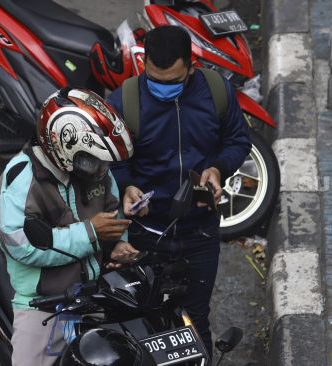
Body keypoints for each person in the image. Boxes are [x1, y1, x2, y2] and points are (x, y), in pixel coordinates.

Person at [107, 25, 251, 356]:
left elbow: (237, 140)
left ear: (191, 67)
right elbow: (111, 161)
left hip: (199, 235)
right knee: (140, 324)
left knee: (194, 324)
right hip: (144, 236)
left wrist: (218, 168)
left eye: (171, 82)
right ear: (145, 66)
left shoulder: (217, 92)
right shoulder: (124, 101)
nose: (162, 88)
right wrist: (127, 185)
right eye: (154, 80)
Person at [0, 88, 140, 366]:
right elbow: (22, 246)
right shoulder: (22, 182)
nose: (102, 170)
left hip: (92, 292)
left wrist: (118, 242)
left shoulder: (95, 173)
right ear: (64, 148)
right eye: (93, 160)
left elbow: (112, 211)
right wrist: (91, 233)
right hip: (42, 303)